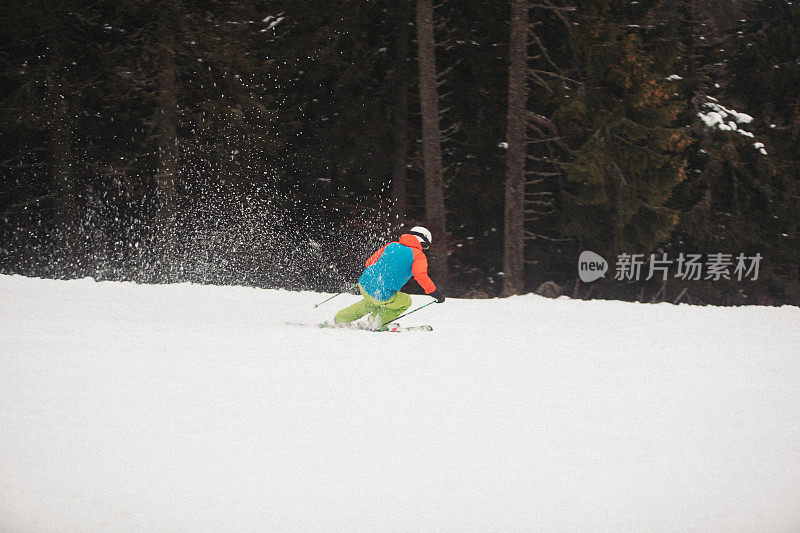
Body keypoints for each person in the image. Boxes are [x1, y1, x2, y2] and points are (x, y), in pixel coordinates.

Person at [332, 226, 445, 330]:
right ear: (421, 241)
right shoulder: (418, 255)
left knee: (369, 303)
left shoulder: (392, 245)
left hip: (364, 284)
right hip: (382, 293)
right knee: (405, 301)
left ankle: (341, 318)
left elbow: (369, 263)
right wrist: (434, 292)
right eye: (425, 245)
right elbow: (420, 275)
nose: (424, 249)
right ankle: (376, 321)